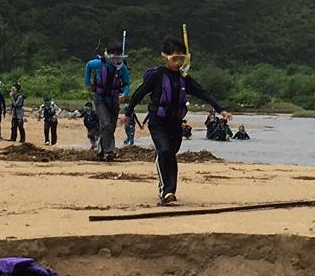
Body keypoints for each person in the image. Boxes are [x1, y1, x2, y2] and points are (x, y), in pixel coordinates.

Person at [124, 35, 231, 204]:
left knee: (171, 155)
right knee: (164, 151)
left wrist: (221, 110)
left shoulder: (184, 78)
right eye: (175, 58)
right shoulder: (158, 75)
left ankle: (171, 191)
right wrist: (128, 113)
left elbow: (202, 92)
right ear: (165, 57)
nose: (178, 62)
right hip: (157, 121)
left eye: (182, 58)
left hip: (175, 123)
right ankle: (165, 190)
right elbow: (140, 93)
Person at [84, 43, 127, 161]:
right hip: (100, 99)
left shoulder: (122, 68)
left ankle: (101, 149)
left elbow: (127, 83)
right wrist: (87, 83)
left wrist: (125, 94)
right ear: (108, 56)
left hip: (114, 101)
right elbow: (88, 66)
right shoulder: (99, 64)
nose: (116, 60)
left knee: (110, 128)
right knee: (106, 124)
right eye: (113, 57)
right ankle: (109, 151)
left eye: (118, 57)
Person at [118, 51, 137, 150]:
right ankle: (128, 141)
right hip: (127, 122)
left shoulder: (124, 74)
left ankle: (131, 143)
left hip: (131, 123)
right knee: (127, 132)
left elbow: (126, 85)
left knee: (131, 133)